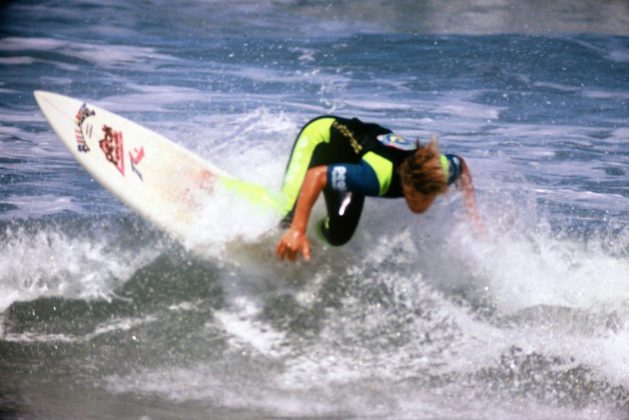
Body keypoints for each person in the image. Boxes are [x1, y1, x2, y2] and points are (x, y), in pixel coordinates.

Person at [276, 115, 482, 262]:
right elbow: (317, 175)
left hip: (357, 157)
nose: (424, 204)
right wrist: (297, 229)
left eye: (431, 197)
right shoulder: (378, 178)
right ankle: (289, 229)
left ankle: (312, 238)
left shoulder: (438, 170)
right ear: (408, 188)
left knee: (339, 236)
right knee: (287, 220)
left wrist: (473, 214)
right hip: (322, 139)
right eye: (420, 197)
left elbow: (461, 165)